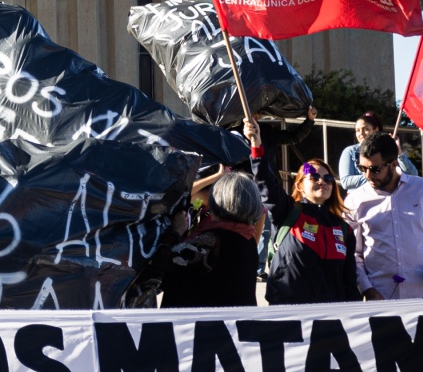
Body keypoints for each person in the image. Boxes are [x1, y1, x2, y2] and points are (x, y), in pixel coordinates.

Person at [245, 119, 364, 305]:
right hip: (289, 318)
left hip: (330, 322)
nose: (321, 181)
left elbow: (349, 282)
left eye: (328, 178)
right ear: (299, 185)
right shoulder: (287, 211)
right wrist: (256, 145)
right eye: (314, 177)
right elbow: (265, 182)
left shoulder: (344, 229)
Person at [349, 132, 423, 300]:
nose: (367, 175)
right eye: (362, 168)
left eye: (375, 169)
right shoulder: (355, 200)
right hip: (380, 298)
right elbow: (353, 253)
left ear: (393, 164)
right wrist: (366, 289)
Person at [155, 170, 265, 308]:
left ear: (219, 200)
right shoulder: (247, 237)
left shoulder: (212, 240)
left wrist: (177, 232)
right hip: (231, 324)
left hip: (198, 325)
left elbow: (162, 260)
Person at [337, 112, 413, 193]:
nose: (361, 134)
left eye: (365, 129)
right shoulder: (350, 151)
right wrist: (379, 176)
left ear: (376, 130)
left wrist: (399, 153)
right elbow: (345, 181)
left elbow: (411, 174)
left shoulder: (386, 149)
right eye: (358, 130)